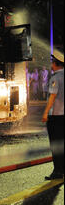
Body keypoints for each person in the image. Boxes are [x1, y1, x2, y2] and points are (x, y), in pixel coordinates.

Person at [41, 50, 64, 180]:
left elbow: (52, 97)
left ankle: (58, 171)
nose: (51, 64)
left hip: (56, 117)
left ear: (56, 63)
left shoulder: (55, 78)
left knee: (56, 144)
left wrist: (45, 113)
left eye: (52, 62)